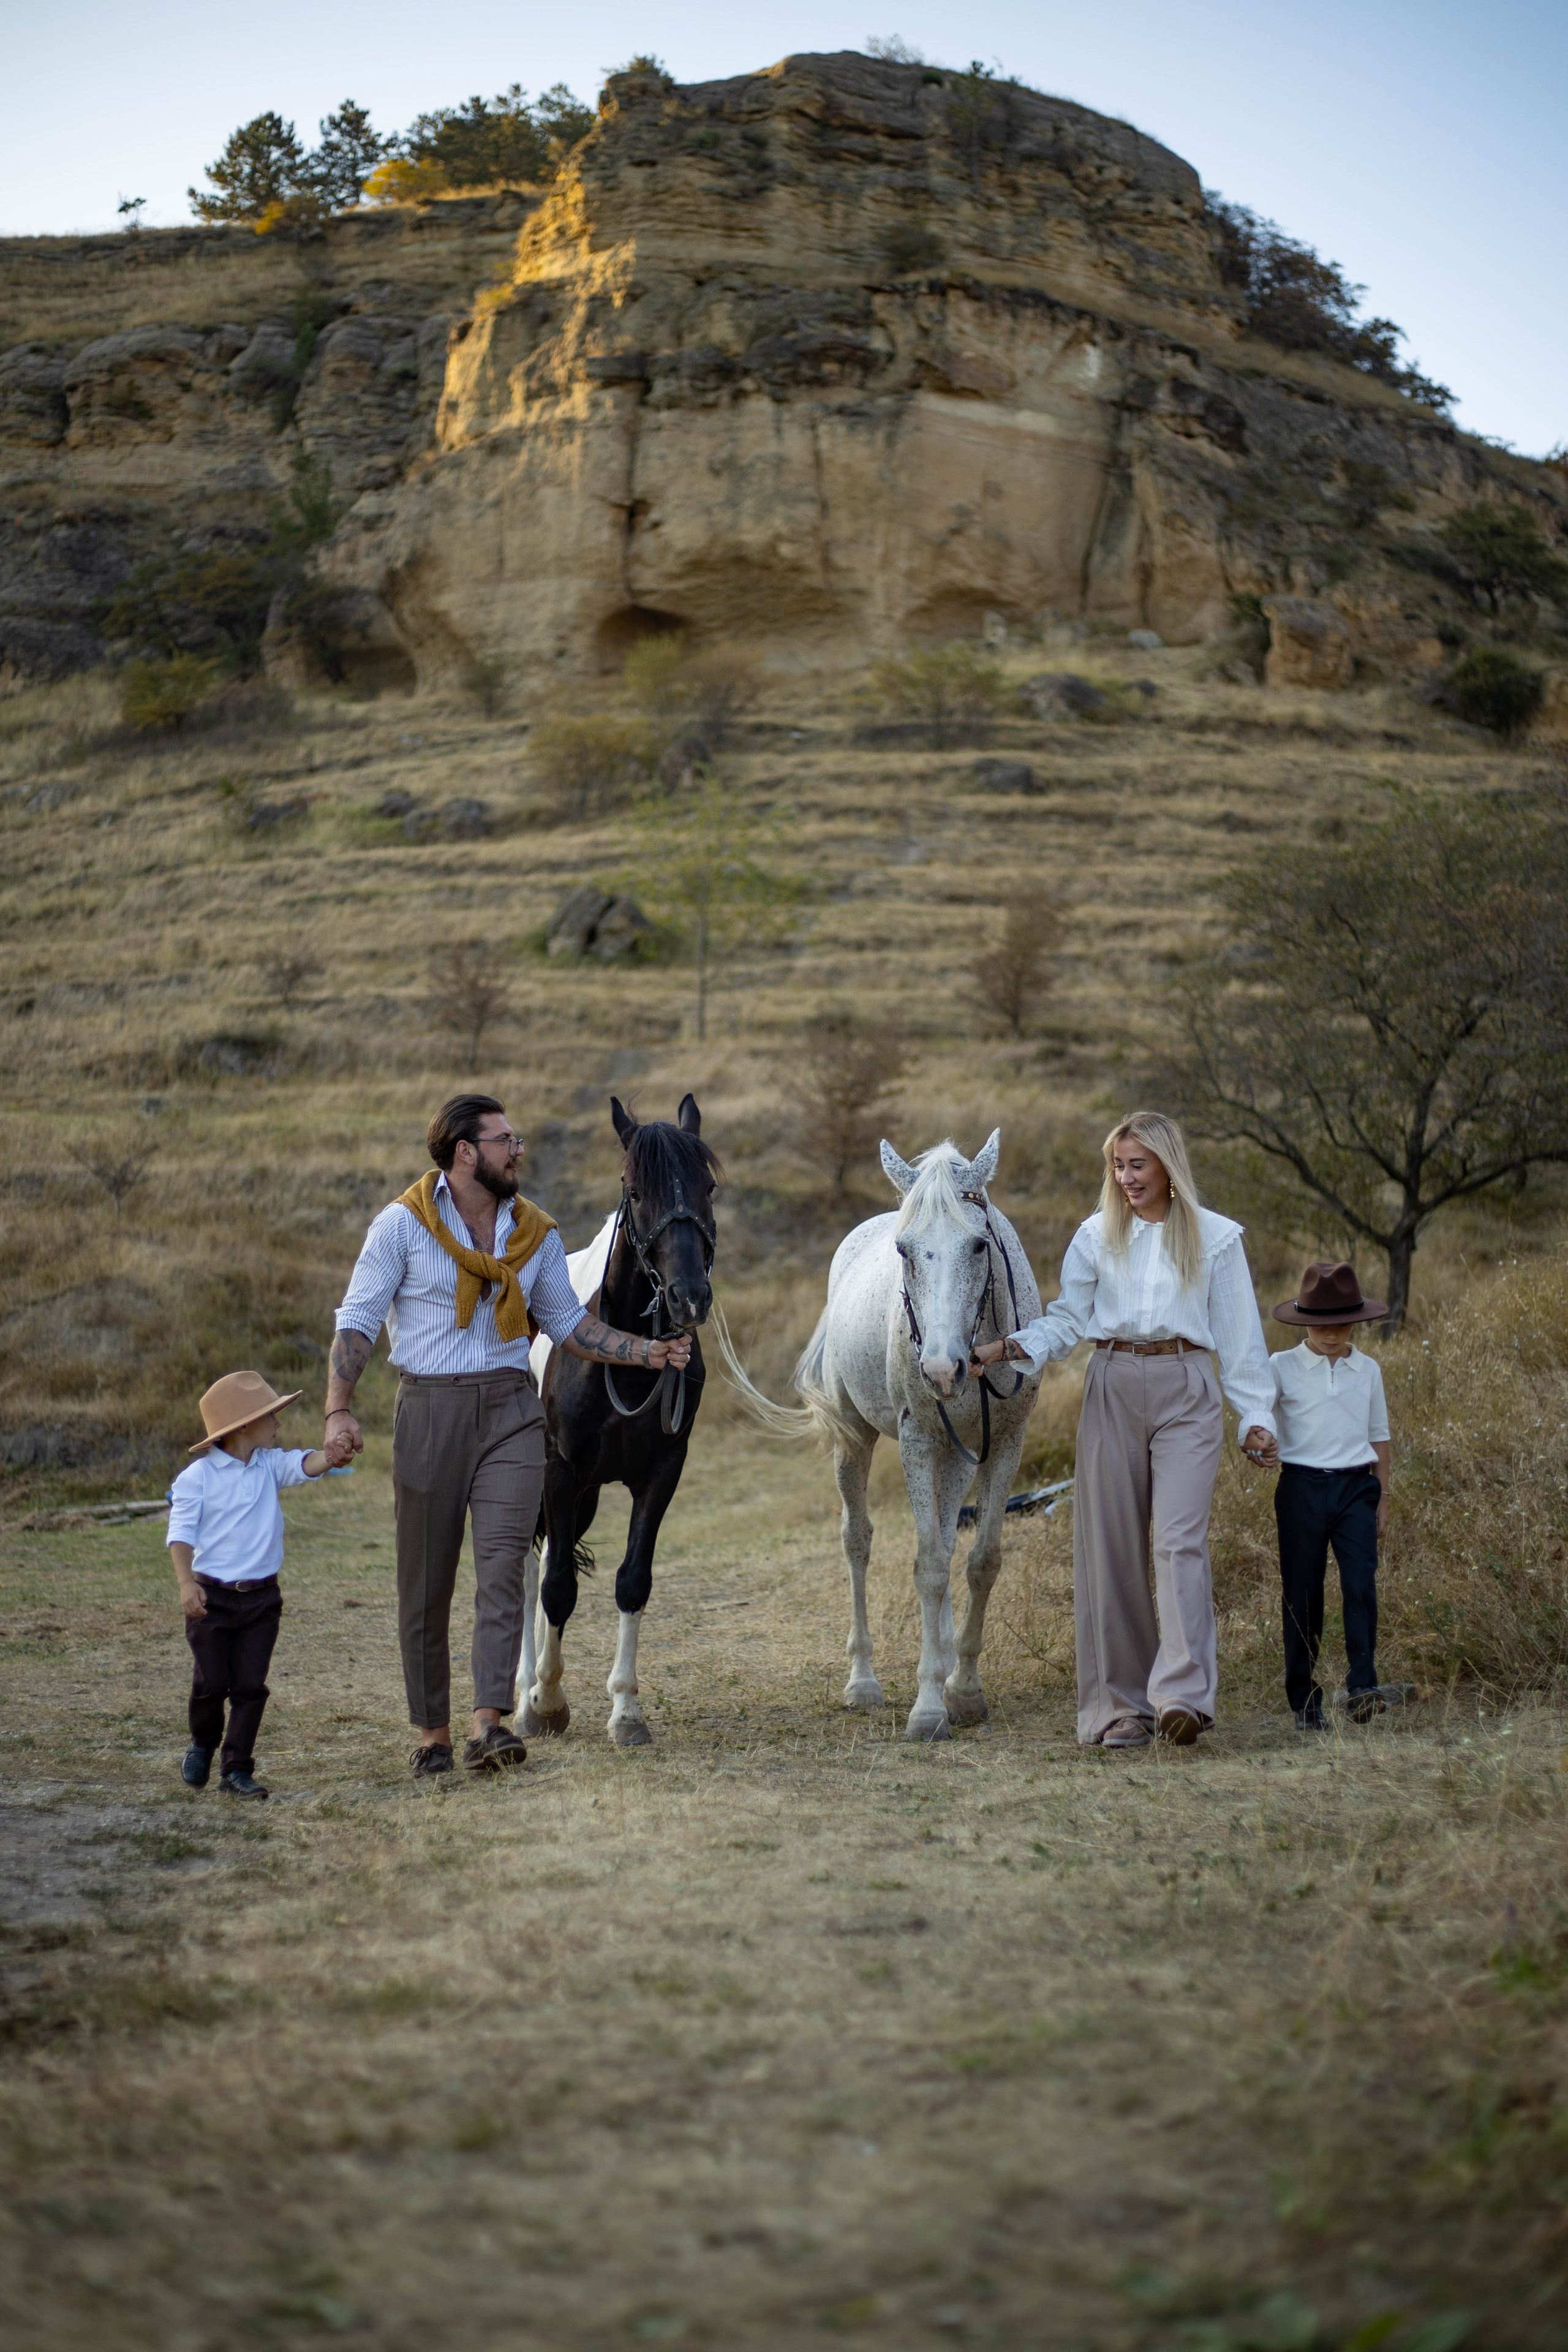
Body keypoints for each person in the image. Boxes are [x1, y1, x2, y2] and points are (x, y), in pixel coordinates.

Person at [326, 1094, 692, 1780]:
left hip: (510, 1411)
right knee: (427, 1581)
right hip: (429, 1408)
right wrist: (338, 1410)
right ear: (465, 1152)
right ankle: (433, 1733)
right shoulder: (402, 1227)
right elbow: (358, 1321)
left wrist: (647, 1354)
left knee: (504, 1571)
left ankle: (488, 1725)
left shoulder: (536, 1233)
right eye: (503, 1140)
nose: (516, 1149)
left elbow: (569, 1325)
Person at [971, 1110, 1276, 1749]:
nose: (1126, 1177)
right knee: (1108, 1552)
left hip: (1186, 1386)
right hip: (1110, 1383)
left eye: (1137, 1164)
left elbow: (1241, 1339)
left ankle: (1184, 1698)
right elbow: (1067, 1320)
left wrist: (1255, 1417)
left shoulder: (1217, 1239)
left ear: (1167, 1165)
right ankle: (1119, 1711)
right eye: (1118, 1165)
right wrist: (1006, 1347)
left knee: (1178, 1542)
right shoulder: (1094, 1236)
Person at [168, 1370, 355, 1799]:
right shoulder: (197, 1478)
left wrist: (334, 1454)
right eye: (271, 1416)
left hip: (262, 1601)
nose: (279, 1423)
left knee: (251, 1686)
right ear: (243, 1425)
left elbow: (306, 1463)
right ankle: (203, 1741)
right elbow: (179, 1536)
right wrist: (184, 1584)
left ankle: (236, 1768)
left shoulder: (269, 1465)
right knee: (212, 1684)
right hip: (212, 1599)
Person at [1266, 1261, 1392, 1730]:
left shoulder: (1368, 1370)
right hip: (1301, 1486)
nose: (1333, 1335)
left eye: (1342, 1325)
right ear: (1304, 1323)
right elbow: (1258, 1412)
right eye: (1322, 1326)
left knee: (1361, 1583)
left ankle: (1363, 1686)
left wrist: (1382, 1497)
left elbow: (1379, 1435)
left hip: (1357, 1487)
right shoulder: (1281, 1367)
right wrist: (1258, 1438)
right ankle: (1305, 1700)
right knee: (1303, 1594)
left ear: (1356, 1322)